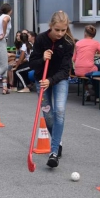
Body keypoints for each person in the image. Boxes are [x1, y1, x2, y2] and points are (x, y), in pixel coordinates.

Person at [29, 10, 75, 168]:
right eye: (57, 30)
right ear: (51, 26)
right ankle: (58, 139)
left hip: (59, 80)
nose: (60, 33)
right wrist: (42, 58)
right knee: (48, 116)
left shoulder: (68, 43)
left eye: (63, 30)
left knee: (59, 111)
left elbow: (65, 69)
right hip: (41, 80)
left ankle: (54, 152)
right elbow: (32, 63)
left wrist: (51, 80)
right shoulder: (41, 39)